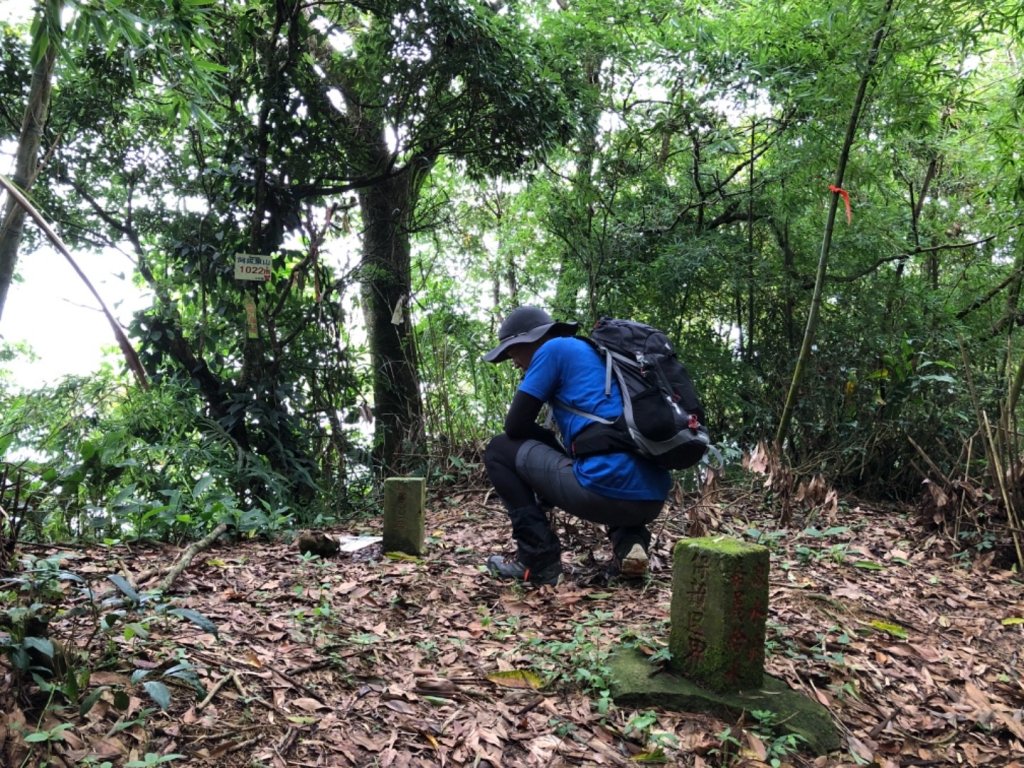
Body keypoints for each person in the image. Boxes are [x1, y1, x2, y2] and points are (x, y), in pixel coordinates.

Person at [482, 306, 672, 586]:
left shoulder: (552, 350)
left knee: (499, 449)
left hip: (604, 494)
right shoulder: (594, 354)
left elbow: (515, 426)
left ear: (532, 340)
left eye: (512, 352)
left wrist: (550, 445)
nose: (514, 362)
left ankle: (538, 562)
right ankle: (630, 544)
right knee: (609, 464)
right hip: (653, 498)